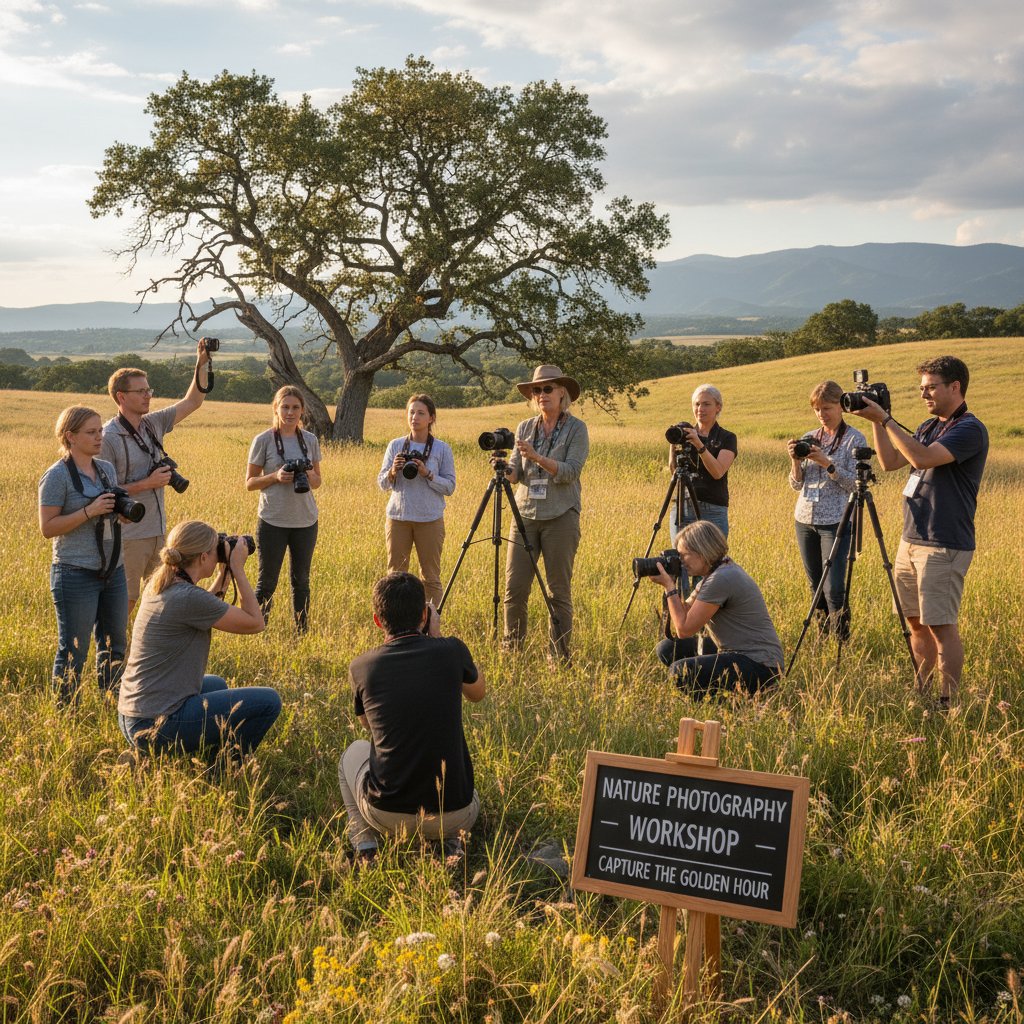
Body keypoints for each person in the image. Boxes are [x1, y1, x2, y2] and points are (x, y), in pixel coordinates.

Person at [850, 355, 988, 704]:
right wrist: (876, 422)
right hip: (911, 538)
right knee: (915, 622)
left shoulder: (969, 428)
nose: (924, 395)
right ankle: (922, 691)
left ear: (955, 387)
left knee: (941, 625)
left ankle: (947, 701)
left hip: (943, 542)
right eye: (921, 388)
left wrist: (886, 418)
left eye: (930, 387)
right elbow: (890, 462)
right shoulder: (929, 427)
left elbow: (922, 459)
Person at [339, 572, 485, 862]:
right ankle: (449, 843)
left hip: (386, 813)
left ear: (377, 620)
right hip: (457, 814)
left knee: (352, 753)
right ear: (425, 613)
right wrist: (439, 638)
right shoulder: (452, 651)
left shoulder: (361, 667)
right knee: (469, 788)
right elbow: (477, 692)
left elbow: (370, 727)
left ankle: (365, 844)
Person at [117, 520, 281, 763]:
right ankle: (224, 769)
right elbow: (256, 623)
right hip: (158, 724)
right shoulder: (187, 598)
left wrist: (224, 574)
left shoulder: (162, 584)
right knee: (269, 701)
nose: (218, 556)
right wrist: (237, 568)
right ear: (204, 557)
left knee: (217, 685)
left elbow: (203, 603)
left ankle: (145, 756)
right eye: (216, 550)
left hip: (132, 716)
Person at [101, 340, 212, 612]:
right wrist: (147, 484)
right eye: (140, 391)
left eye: (148, 389)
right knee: (125, 602)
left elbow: (193, 401)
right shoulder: (108, 437)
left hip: (159, 532)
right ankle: (114, 653)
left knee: (160, 599)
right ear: (121, 397)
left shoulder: (153, 423)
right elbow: (103, 492)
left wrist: (202, 362)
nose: (148, 395)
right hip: (127, 535)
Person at [39, 406, 129, 706]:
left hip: (113, 570)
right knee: (74, 650)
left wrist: (121, 514)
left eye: (100, 430)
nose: (99, 437)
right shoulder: (56, 476)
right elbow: (48, 528)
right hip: (75, 572)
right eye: (91, 432)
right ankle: (66, 710)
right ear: (70, 436)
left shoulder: (106, 469)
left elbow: (111, 510)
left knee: (115, 644)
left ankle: (113, 704)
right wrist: (89, 511)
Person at [500, 365, 589, 661]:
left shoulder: (576, 428)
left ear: (563, 392)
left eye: (547, 388)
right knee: (514, 590)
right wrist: (505, 470)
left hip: (561, 515)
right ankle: (512, 653)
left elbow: (571, 471)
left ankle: (559, 656)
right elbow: (517, 473)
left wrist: (538, 457)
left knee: (558, 592)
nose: (541, 395)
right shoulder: (525, 427)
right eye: (536, 390)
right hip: (524, 514)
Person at [649, 520, 783, 696]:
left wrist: (669, 588)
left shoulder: (721, 579)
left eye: (684, 555)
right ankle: (716, 694)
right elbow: (684, 614)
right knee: (667, 649)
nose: (680, 561)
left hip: (760, 666)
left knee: (680, 671)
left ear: (703, 552)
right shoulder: (718, 571)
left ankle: (720, 704)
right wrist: (673, 580)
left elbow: (684, 629)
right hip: (739, 653)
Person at [786, 381, 867, 639]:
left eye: (827, 408)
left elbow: (854, 484)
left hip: (836, 521)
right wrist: (795, 462)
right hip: (805, 519)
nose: (822, 414)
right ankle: (822, 638)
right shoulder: (811, 437)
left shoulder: (855, 438)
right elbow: (796, 485)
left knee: (833, 587)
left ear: (841, 406)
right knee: (815, 584)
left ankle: (841, 640)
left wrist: (826, 463)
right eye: (817, 409)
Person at [246, 386, 323, 632]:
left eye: (295, 408)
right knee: (266, 582)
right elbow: (249, 483)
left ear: (302, 410)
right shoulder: (263, 439)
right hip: (273, 521)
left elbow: (318, 482)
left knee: (302, 582)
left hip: (305, 521)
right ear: (276, 408)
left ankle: (302, 632)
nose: (290, 412)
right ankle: (258, 629)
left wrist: (308, 472)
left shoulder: (310, 440)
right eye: (285, 407)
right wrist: (276, 476)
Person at [377, 394, 456, 609]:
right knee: (395, 576)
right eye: (411, 412)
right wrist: (393, 471)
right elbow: (382, 483)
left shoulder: (441, 449)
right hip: (398, 518)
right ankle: (397, 624)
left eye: (421, 413)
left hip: (429, 519)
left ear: (431, 418)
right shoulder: (395, 446)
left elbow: (450, 487)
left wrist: (427, 473)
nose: (415, 417)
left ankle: (430, 625)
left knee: (430, 577)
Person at [668, 384, 737, 541]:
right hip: (682, 507)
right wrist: (674, 442)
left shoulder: (727, 438)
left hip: (712, 509)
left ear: (718, 407)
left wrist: (699, 444)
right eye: (697, 404)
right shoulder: (685, 435)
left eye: (706, 404)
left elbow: (718, 472)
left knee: (711, 561)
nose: (700, 409)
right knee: (681, 560)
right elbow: (674, 471)